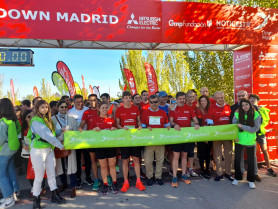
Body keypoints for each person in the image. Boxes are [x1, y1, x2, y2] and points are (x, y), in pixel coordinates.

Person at [28, 100, 66, 208]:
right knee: (39, 177)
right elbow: (46, 135)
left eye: (46, 107)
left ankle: (55, 195)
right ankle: (36, 200)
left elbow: (51, 133)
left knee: (51, 174)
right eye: (42, 107)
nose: (44, 109)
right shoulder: (35, 120)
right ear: (37, 108)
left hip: (49, 150)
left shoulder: (46, 119)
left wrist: (60, 132)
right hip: (38, 151)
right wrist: (59, 145)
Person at [115, 91, 145, 192]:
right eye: (126, 98)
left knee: (136, 160)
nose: (128, 99)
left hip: (135, 137)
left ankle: (138, 181)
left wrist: (140, 126)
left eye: (129, 98)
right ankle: (126, 182)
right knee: (125, 160)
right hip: (124, 138)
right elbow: (117, 124)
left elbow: (138, 121)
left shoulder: (136, 108)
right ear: (122, 99)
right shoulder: (119, 110)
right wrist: (122, 128)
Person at [169, 92, 200, 188]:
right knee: (176, 156)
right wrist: (175, 124)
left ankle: (183, 174)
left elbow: (194, 118)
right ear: (177, 99)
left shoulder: (189, 108)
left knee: (184, 156)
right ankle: (174, 176)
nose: (182, 100)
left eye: (183, 98)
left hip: (186, 136)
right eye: (180, 99)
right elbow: (171, 121)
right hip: (177, 136)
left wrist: (196, 123)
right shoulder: (173, 108)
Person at [89, 102, 119, 195]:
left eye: (106, 108)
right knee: (103, 166)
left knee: (112, 165)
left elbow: (116, 131)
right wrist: (94, 129)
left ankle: (114, 183)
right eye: (103, 108)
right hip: (100, 146)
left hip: (110, 145)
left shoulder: (111, 119)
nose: (105, 109)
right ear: (98, 109)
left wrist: (115, 129)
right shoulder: (94, 119)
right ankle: (105, 183)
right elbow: (89, 132)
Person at [141, 95, 171, 186]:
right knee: (148, 161)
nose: (154, 104)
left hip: (160, 140)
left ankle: (158, 177)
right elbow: (142, 127)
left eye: (156, 102)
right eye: (152, 102)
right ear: (149, 103)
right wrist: (146, 128)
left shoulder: (163, 113)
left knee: (160, 160)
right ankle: (150, 177)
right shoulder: (145, 113)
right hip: (149, 141)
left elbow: (167, 124)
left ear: (158, 102)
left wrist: (168, 126)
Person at [232, 99, 261, 189]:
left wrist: (242, 126)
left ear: (250, 104)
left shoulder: (256, 115)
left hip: (250, 141)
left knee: (251, 162)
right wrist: (234, 137)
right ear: (240, 107)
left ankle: (251, 180)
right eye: (243, 105)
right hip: (238, 140)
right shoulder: (237, 114)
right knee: (237, 160)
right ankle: (237, 178)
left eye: (246, 104)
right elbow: (233, 127)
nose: (245, 106)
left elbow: (254, 129)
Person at [52, 100, 78, 198]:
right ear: (58, 108)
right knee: (60, 166)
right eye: (61, 107)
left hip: (70, 145)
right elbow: (52, 133)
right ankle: (63, 184)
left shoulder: (71, 118)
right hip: (58, 145)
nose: (63, 109)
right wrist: (59, 132)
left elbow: (76, 131)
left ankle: (73, 186)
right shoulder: (53, 119)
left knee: (71, 165)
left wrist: (69, 131)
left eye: (65, 107)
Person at [207, 91, 234, 182]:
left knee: (228, 155)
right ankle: (219, 174)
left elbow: (232, 119)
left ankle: (228, 173)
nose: (220, 99)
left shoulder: (228, 106)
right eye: (218, 98)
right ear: (215, 99)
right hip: (217, 135)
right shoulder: (212, 107)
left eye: (222, 97)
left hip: (227, 135)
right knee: (217, 155)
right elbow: (210, 121)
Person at [249, 94, 277, 178]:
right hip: (251, 133)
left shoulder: (263, 109)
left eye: (254, 98)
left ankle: (269, 168)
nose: (252, 100)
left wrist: (257, 111)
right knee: (254, 152)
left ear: (257, 100)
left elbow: (265, 121)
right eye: (250, 99)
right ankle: (254, 170)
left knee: (264, 150)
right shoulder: (247, 109)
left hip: (260, 133)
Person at [68, 94, 92, 187]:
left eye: (81, 101)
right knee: (77, 160)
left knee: (87, 159)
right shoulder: (70, 112)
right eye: (78, 102)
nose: (80, 104)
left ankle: (88, 177)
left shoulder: (87, 109)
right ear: (74, 102)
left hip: (87, 138)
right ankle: (78, 178)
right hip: (75, 139)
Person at [0, 98, 20, 208]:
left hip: (4, 151)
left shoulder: (3, 122)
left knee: (1, 175)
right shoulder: (14, 119)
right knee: (10, 170)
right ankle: (14, 193)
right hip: (13, 149)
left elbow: (0, 139)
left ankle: (9, 197)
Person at [79, 94, 101, 190]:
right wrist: (80, 128)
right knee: (93, 161)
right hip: (91, 140)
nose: (93, 102)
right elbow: (82, 124)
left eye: (94, 100)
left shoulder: (102, 110)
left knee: (103, 161)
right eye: (91, 100)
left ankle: (107, 178)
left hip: (103, 139)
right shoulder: (86, 112)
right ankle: (96, 179)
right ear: (88, 101)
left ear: (97, 100)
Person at [195, 95, 212, 179]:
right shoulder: (197, 110)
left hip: (209, 133)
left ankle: (207, 168)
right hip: (201, 134)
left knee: (208, 153)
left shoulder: (210, 109)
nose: (203, 102)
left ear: (207, 101)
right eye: (201, 101)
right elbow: (198, 122)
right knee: (201, 153)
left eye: (204, 101)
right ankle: (202, 169)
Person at [184, 90, 199, 177]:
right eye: (189, 97)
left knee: (191, 151)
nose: (191, 98)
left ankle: (191, 168)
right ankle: (185, 169)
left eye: (193, 97)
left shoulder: (196, 107)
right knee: (185, 152)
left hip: (193, 131)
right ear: (186, 98)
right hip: (184, 131)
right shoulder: (184, 106)